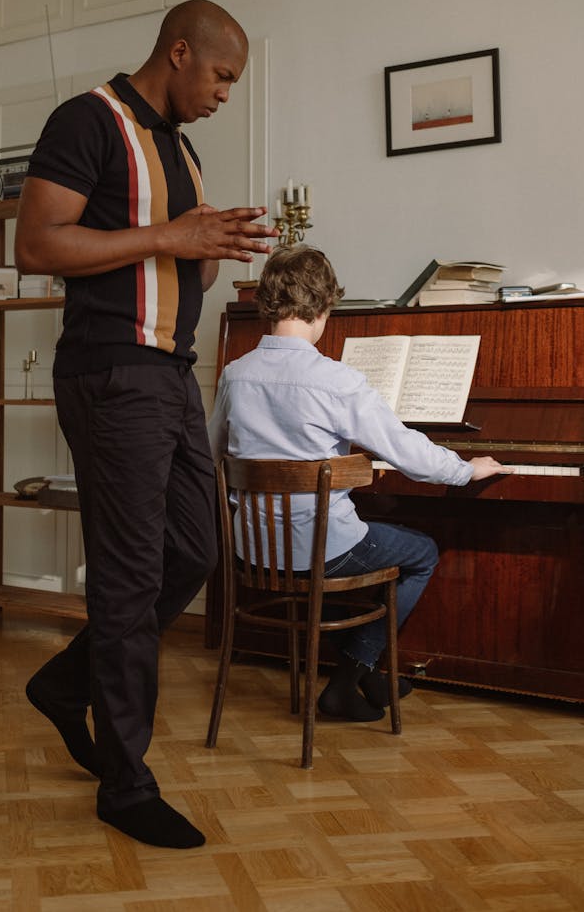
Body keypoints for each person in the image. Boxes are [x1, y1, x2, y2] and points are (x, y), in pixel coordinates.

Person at [14, 0, 277, 850]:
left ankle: (67, 679)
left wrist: (213, 243)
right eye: (222, 76)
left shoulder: (182, 147)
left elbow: (168, 250)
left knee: (196, 549)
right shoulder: (86, 119)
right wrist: (172, 233)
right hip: (109, 371)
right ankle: (126, 785)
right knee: (128, 579)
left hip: (170, 373)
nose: (225, 94)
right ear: (179, 53)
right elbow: (39, 245)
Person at [207, 244, 506, 722]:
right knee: (421, 553)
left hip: (254, 550)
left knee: (366, 534)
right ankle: (348, 678)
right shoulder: (337, 381)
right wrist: (466, 469)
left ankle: (369, 676)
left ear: (266, 303)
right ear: (324, 307)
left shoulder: (234, 375)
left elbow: (213, 455)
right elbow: (408, 452)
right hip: (321, 550)